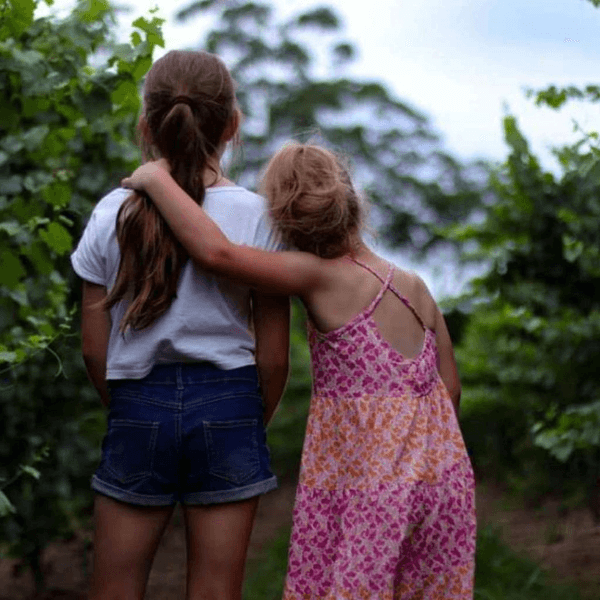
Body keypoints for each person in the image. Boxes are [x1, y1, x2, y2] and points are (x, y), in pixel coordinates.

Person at [121, 142, 477, 599]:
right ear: (351, 200)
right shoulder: (414, 286)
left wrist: (156, 180)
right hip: (444, 480)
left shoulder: (318, 276)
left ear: (285, 220)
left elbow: (218, 255)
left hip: (371, 485)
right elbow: (451, 389)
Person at [70, 50, 290, 600]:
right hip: (231, 402)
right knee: (216, 589)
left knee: (114, 589)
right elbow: (274, 356)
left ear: (147, 126)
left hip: (136, 400)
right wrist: (246, 416)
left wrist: (130, 405)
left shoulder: (111, 212)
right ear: (232, 126)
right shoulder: (260, 217)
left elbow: (94, 350)